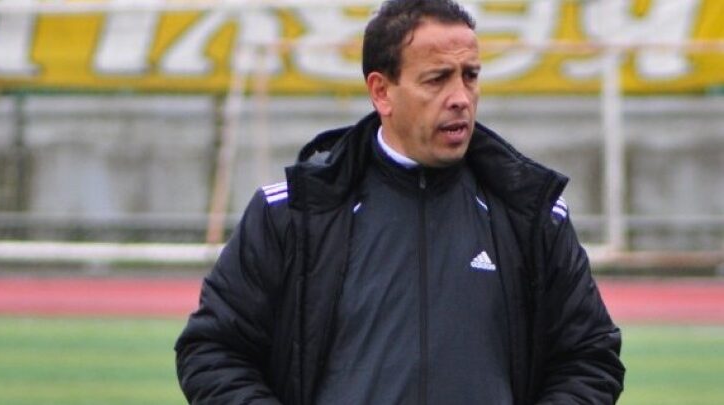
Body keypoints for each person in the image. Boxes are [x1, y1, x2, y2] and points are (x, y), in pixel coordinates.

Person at [175, 0, 625, 403]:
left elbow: (590, 358)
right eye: (437, 79)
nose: (460, 98)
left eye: (470, 76)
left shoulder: (531, 216)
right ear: (381, 91)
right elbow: (213, 351)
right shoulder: (292, 213)